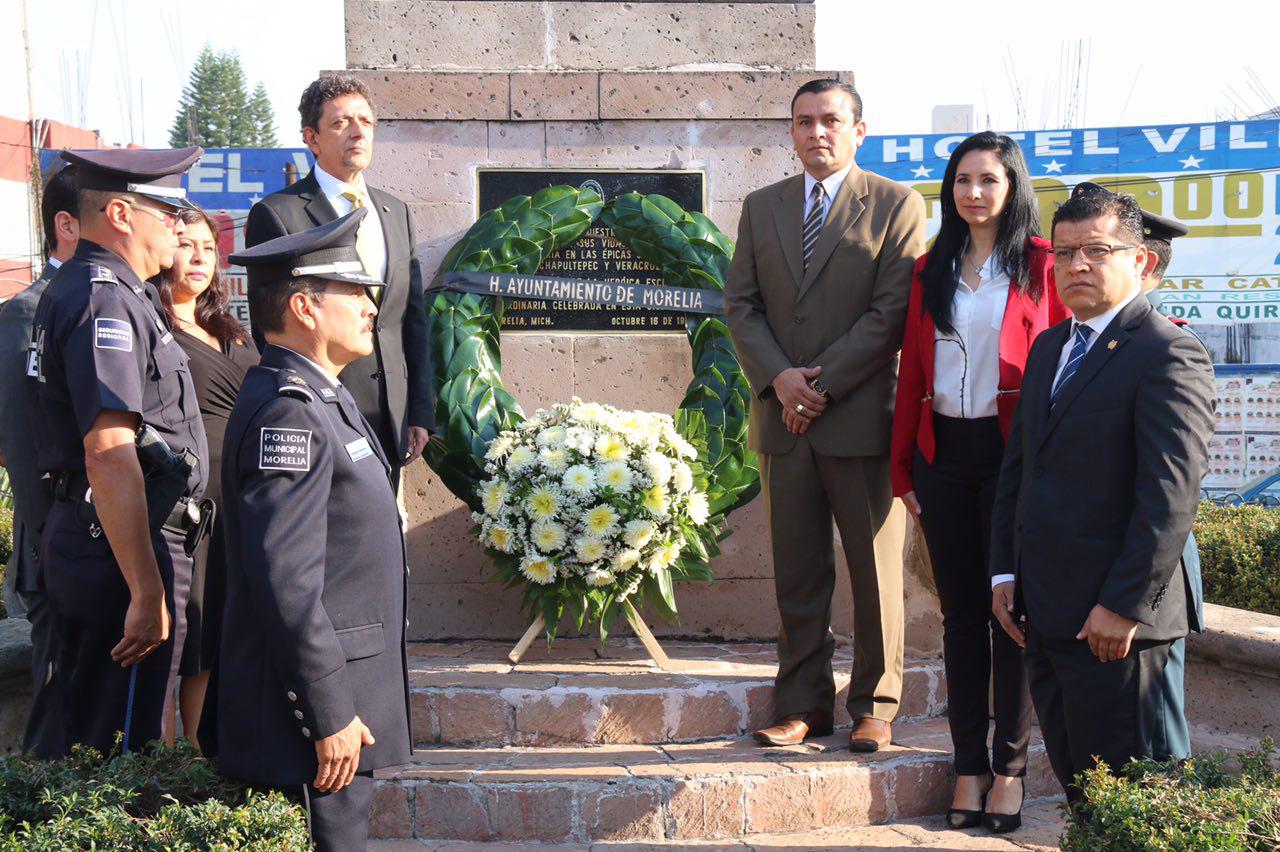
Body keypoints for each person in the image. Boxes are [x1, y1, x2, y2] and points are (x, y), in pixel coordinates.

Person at [989, 188, 1215, 805]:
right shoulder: (1050, 348)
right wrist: (1005, 573)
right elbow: (1020, 473)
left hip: (1120, 629)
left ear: (1141, 260)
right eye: (1064, 253)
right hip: (1048, 616)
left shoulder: (1168, 352)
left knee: (1143, 804)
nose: (1077, 265)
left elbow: (1169, 495)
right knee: (1085, 798)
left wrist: (1122, 605)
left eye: (1097, 250)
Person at [726, 79, 926, 752]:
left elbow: (891, 312)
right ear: (791, 131)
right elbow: (741, 305)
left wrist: (821, 386)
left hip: (860, 420)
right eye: (804, 121)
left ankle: (876, 704)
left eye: (831, 120)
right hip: (783, 422)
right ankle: (802, 703)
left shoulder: (896, 205)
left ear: (858, 130)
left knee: (874, 574)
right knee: (799, 574)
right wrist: (780, 380)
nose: (817, 132)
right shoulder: (762, 206)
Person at [891, 133, 1070, 832]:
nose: (973, 192)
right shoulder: (927, 269)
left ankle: (1010, 770)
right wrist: (903, 468)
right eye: (962, 180)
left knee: (1010, 613)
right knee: (960, 615)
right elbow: (912, 374)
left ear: (1012, 186)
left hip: (1011, 457)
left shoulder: (1043, 265)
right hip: (942, 456)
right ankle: (968, 765)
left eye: (988, 179)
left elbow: (1061, 371)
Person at [218, 208, 411, 852]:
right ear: (304, 306)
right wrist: (328, 712)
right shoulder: (290, 410)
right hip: (314, 722)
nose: (370, 307)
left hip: (340, 702)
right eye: (353, 292)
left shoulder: (321, 392)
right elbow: (287, 581)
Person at [28, 147, 209, 756]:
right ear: (122, 214)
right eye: (169, 210)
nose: (180, 225)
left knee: (114, 736)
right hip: (116, 547)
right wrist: (145, 588)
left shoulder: (118, 291)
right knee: (116, 751)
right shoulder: (102, 296)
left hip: (117, 540)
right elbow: (108, 450)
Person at [245, 74, 434, 490]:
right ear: (311, 138)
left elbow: (411, 318)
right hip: (321, 413)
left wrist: (419, 409)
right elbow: (269, 329)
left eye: (366, 122)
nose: (357, 132)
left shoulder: (395, 212)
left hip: (391, 417)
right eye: (341, 122)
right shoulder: (278, 214)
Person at [155, 205, 259, 748]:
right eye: (185, 245)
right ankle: (163, 764)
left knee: (215, 636)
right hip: (185, 505)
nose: (198, 257)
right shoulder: (152, 326)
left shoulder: (229, 327)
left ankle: (200, 757)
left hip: (238, 499)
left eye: (207, 248)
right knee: (181, 641)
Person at [0, 164, 78, 755]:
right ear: (67, 225)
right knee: (60, 707)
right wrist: (50, 542)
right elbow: (21, 444)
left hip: (119, 540)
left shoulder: (123, 300)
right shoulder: (25, 312)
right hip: (59, 544)